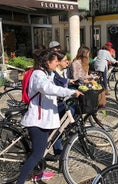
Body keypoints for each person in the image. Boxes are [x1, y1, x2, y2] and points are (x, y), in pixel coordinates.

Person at [16, 50, 82, 183]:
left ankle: (38, 172)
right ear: (48, 62)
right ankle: (20, 181)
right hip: (38, 120)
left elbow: (57, 85)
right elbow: (48, 88)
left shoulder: (47, 73)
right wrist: (70, 92)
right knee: (37, 154)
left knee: (43, 148)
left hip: (45, 118)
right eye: (56, 61)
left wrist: (70, 89)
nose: (58, 63)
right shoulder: (38, 74)